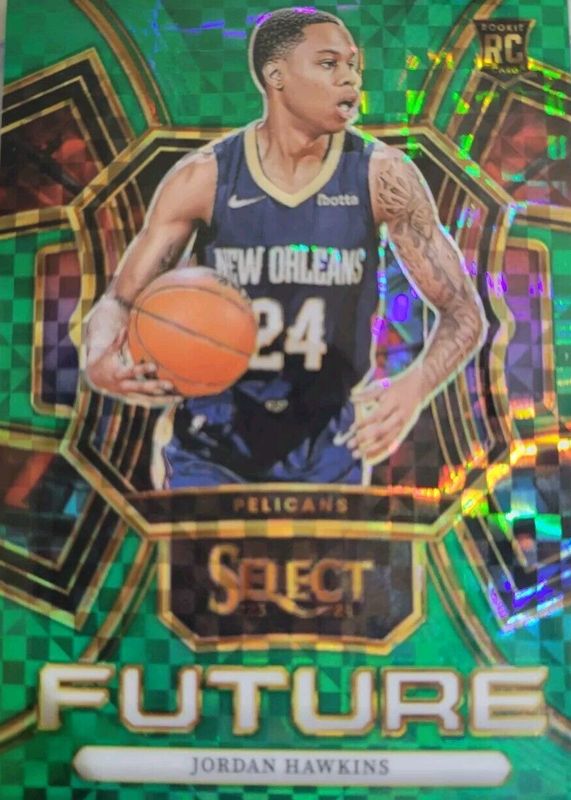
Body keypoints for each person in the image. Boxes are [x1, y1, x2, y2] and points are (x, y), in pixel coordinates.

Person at [84, 7, 487, 487]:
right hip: (210, 440)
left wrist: (415, 385)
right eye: (329, 63)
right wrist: (98, 358)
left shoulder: (383, 176)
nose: (350, 79)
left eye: (353, 65)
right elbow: (120, 300)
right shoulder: (204, 177)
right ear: (276, 76)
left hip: (328, 441)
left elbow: (464, 312)